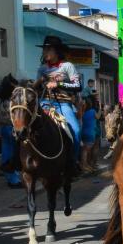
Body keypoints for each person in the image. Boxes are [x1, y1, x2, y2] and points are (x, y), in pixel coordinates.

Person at [35, 35, 82, 163]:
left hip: (63, 104)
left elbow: (78, 86)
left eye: (48, 49)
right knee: (26, 128)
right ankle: (17, 161)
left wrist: (58, 84)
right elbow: (36, 89)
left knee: (76, 131)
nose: (45, 52)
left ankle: (73, 162)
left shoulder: (68, 66)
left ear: (57, 51)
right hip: (44, 103)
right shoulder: (42, 69)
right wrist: (38, 82)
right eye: (44, 50)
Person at [80, 96, 99, 173]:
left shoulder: (83, 112)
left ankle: (86, 165)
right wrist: (100, 109)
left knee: (85, 150)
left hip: (83, 132)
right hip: (91, 133)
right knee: (86, 151)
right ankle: (84, 165)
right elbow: (98, 117)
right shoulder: (92, 111)